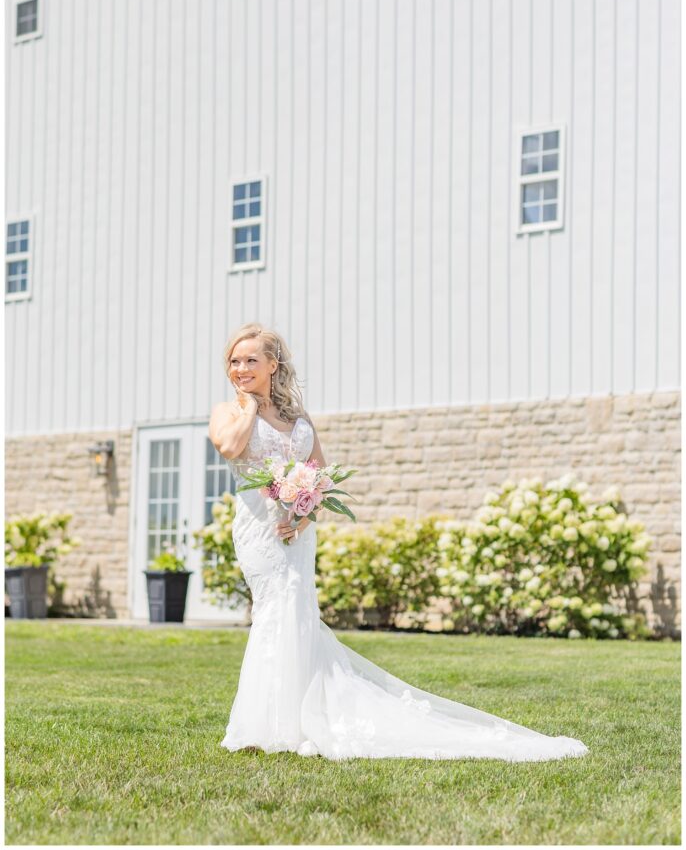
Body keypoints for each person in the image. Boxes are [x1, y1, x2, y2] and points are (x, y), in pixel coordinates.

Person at [208, 322, 589, 762]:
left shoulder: (299, 421)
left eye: (251, 360)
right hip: (258, 531)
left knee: (297, 614)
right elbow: (231, 448)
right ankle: (266, 724)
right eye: (235, 361)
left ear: (274, 365)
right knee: (273, 611)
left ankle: (290, 721)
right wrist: (251, 407)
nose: (240, 368)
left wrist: (305, 513)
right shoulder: (227, 411)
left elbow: (322, 479)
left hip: (296, 533)